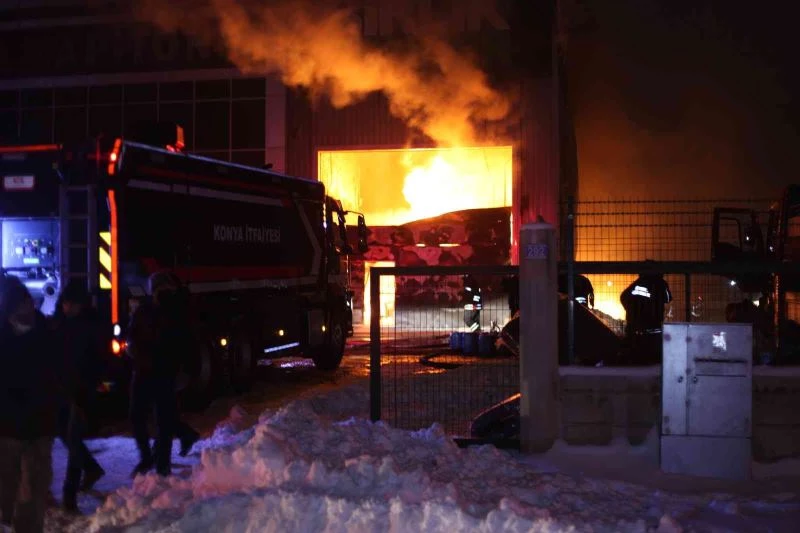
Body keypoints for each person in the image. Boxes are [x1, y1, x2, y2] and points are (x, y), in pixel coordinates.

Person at [0, 278, 61, 533]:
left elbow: (58, 375)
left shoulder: (47, 334)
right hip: (7, 429)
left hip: (37, 428)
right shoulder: (4, 334)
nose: (22, 312)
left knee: (33, 492)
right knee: (7, 488)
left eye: (24, 305)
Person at [126, 271, 194, 477]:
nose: (157, 292)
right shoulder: (146, 309)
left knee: (163, 421)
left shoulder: (176, 311)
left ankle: (161, 464)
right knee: (138, 416)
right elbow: (132, 333)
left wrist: (184, 370)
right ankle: (149, 458)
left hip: (164, 370)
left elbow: (186, 343)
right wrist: (133, 349)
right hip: (144, 369)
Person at [51, 281, 106, 512]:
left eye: (70, 303)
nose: (66, 307)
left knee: (72, 438)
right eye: (65, 303)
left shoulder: (88, 326)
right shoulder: (59, 323)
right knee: (65, 434)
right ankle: (92, 468)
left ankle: (69, 494)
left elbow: (95, 360)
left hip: (81, 390)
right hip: (63, 389)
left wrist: (91, 387)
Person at [620, 266, 673, 364]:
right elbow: (668, 298)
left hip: (634, 325)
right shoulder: (660, 283)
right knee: (653, 348)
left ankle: (634, 359)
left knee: (635, 347)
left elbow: (623, 296)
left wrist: (630, 311)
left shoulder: (637, 283)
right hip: (652, 324)